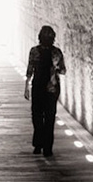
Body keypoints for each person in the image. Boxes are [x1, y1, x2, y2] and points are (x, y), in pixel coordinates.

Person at [24, 25, 65, 156]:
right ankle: (47, 148)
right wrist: (55, 68)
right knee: (49, 117)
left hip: (38, 86)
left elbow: (30, 69)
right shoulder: (56, 52)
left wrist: (26, 86)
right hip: (52, 87)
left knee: (37, 115)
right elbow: (63, 70)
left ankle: (38, 144)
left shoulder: (34, 51)